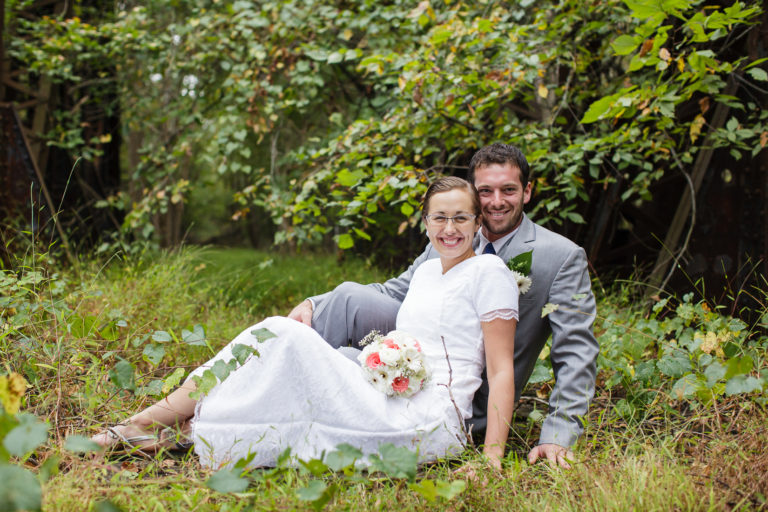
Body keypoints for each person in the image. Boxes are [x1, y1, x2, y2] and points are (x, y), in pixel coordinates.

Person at [92, 177, 520, 470]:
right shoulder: (427, 271)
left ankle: (151, 422)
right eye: (439, 218)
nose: (450, 229)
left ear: (478, 223)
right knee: (283, 360)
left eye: (461, 218)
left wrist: (493, 456)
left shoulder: (489, 272)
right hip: (392, 392)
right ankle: (168, 428)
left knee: (282, 333)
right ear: (424, 223)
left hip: (430, 417)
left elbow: (501, 369)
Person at [289, 143, 599, 469]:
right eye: (485, 191)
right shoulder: (450, 236)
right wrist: (315, 302)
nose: (496, 201)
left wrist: (557, 434)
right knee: (348, 296)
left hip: (479, 394)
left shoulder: (561, 257)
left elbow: (575, 350)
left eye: (508, 190)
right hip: (417, 373)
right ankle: (297, 402)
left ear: (527, 191)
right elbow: (396, 292)